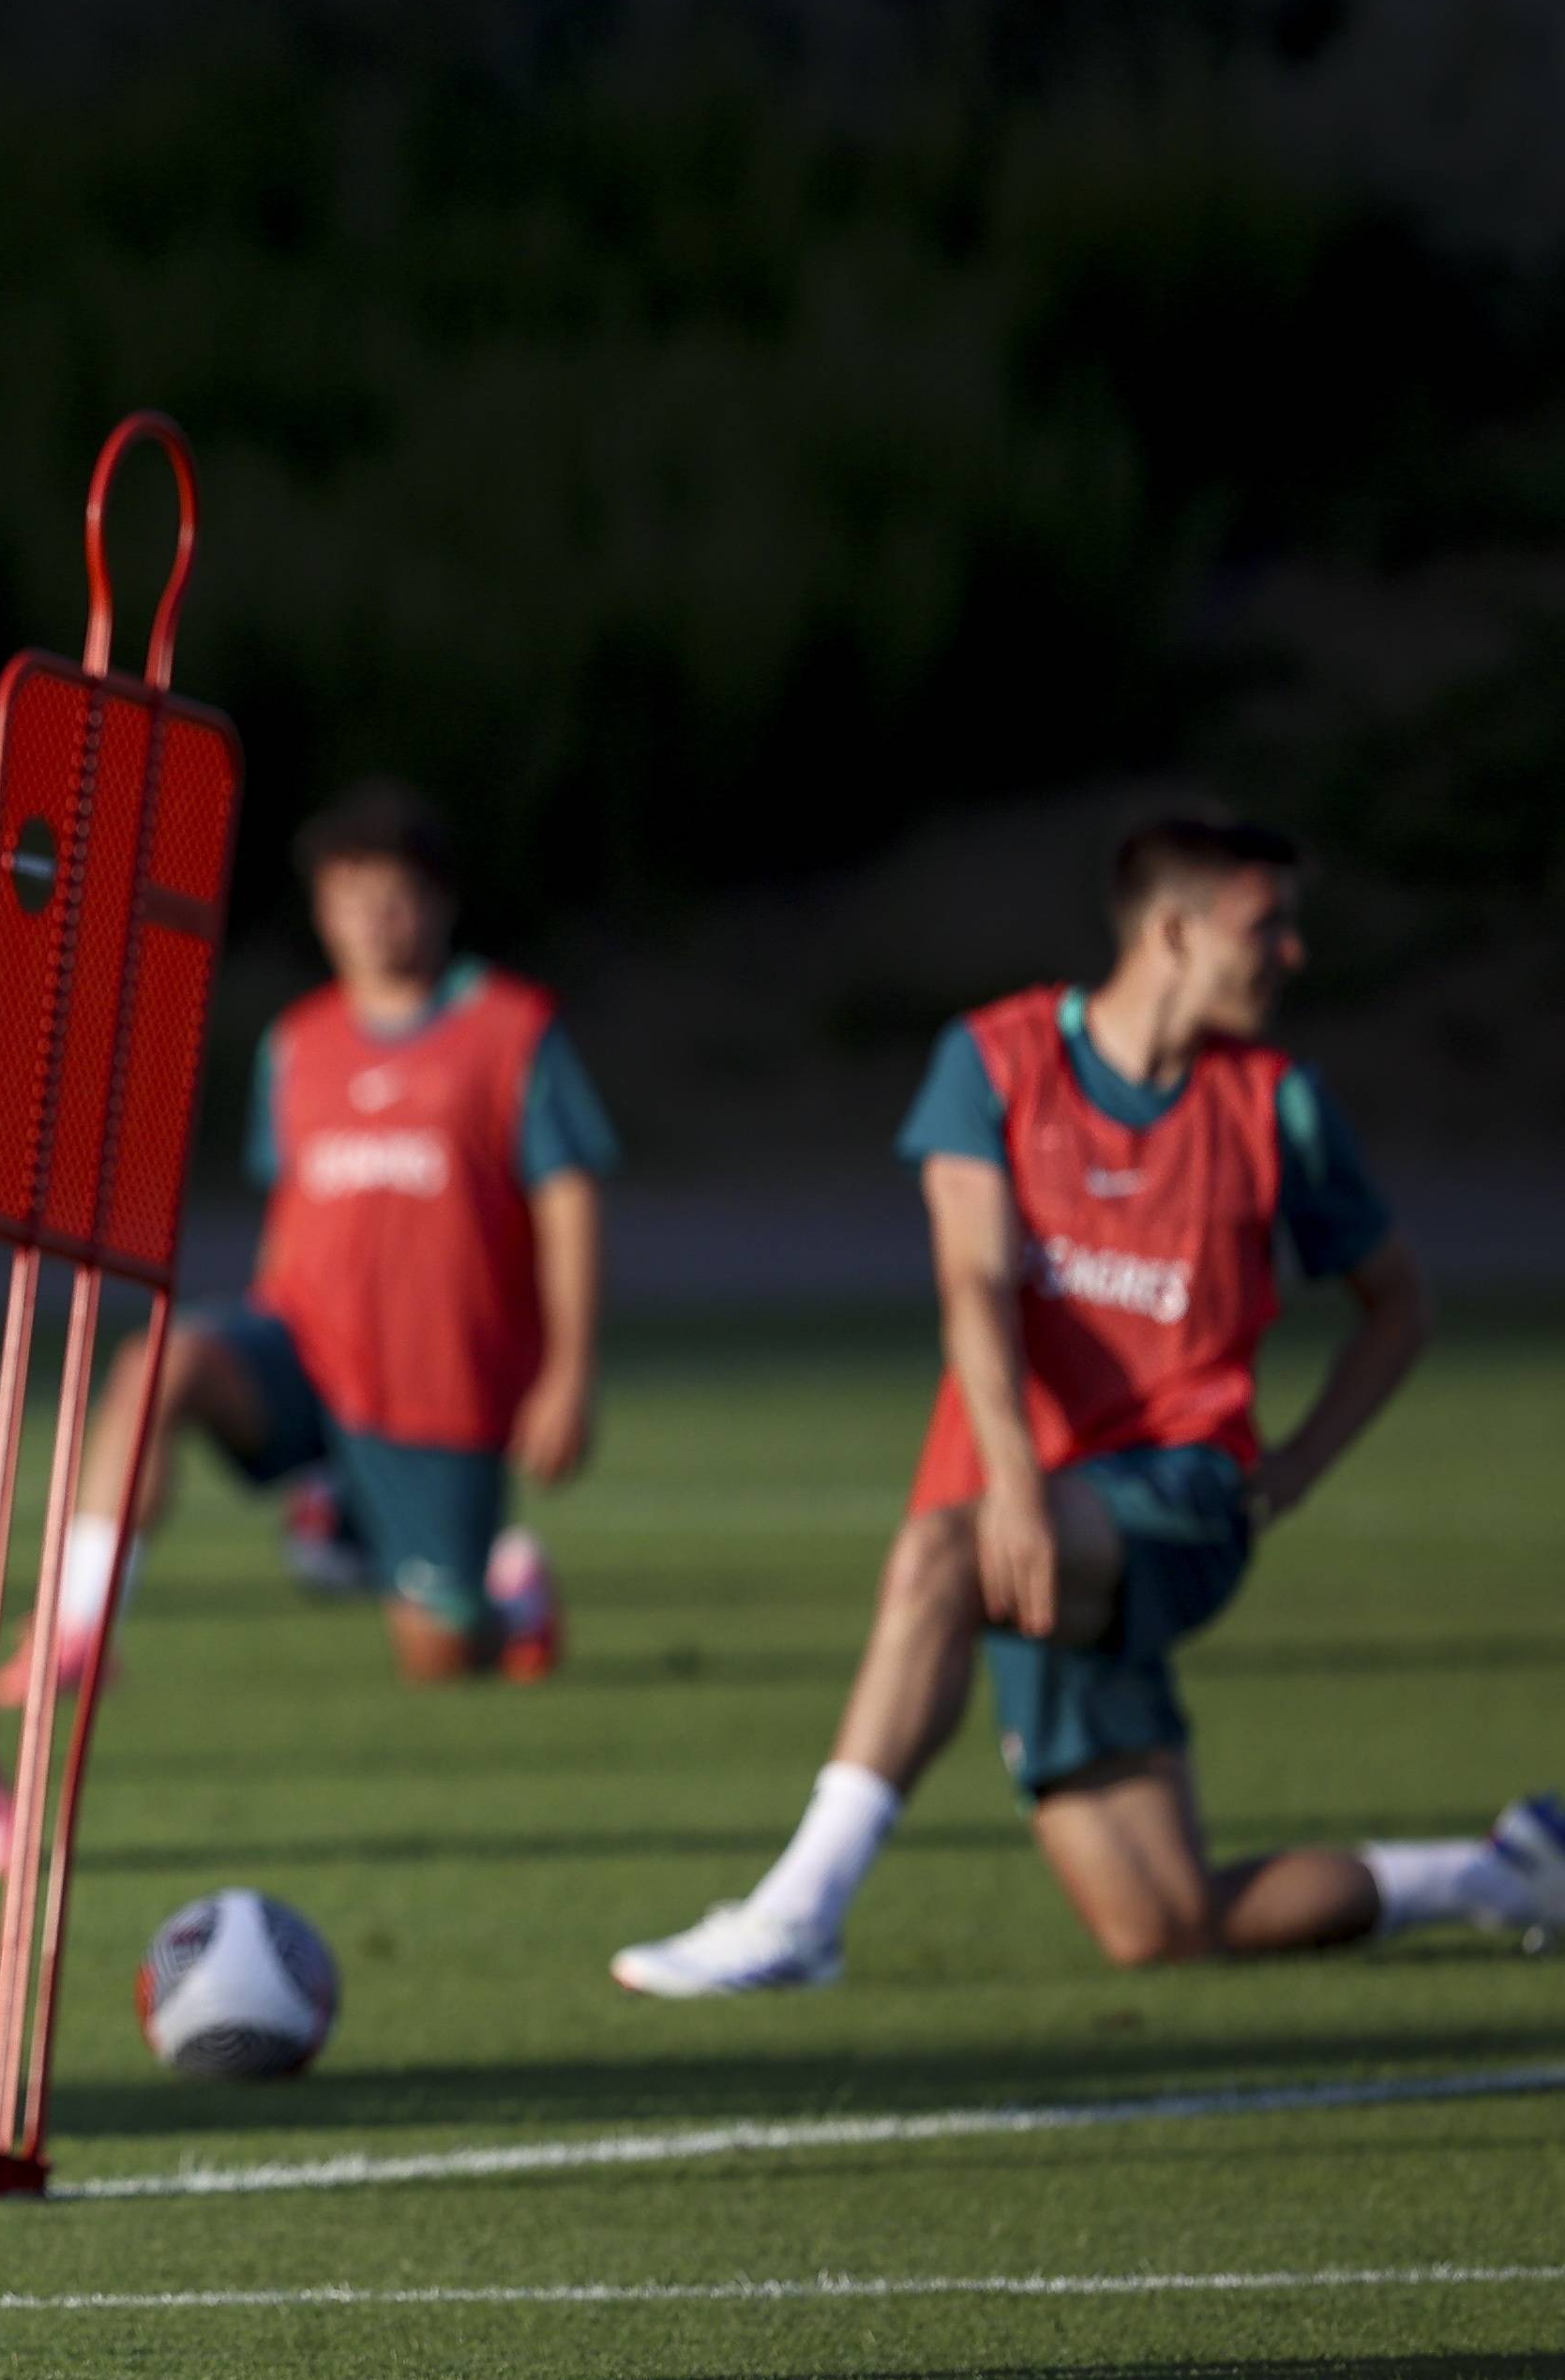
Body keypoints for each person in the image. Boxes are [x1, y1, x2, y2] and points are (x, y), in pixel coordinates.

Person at [611, 810, 1558, 1997]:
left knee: (932, 1559)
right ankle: (1501, 1878)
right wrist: (1013, 1486)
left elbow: (1399, 1306)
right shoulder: (997, 1062)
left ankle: (798, 1916)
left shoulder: (1279, 1107)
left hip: (1175, 1500)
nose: (1293, 956)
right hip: (1036, 1521)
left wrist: (1294, 1471)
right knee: (1162, 1926)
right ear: (1172, 930)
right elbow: (972, 1282)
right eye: (1267, 929)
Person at [42, 781, 614, 1690]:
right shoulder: (299, 1044)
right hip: (305, 1346)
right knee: (158, 1365)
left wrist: (569, 1373)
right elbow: (296, 1212)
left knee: (438, 1661)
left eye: (393, 898)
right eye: (350, 900)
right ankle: (72, 1637)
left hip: (438, 1380)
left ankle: (507, 1602)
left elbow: (569, 1199)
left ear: (439, 903)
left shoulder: (511, 1033)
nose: (373, 921)